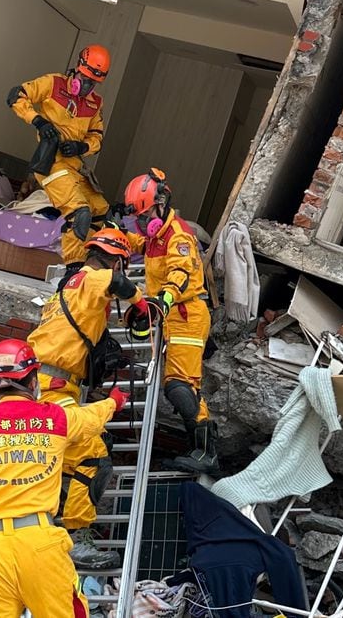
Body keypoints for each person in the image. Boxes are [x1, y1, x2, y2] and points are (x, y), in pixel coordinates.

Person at [0, 339, 130, 618]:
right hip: (38, 544)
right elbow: (90, 417)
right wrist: (113, 402)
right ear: (33, 380)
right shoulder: (55, 420)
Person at [26, 228, 154, 570]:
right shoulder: (93, 277)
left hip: (45, 383)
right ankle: (76, 538)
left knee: (65, 460)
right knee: (92, 454)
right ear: (115, 260)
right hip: (52, 387)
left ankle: (50, 528)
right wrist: (141, 305)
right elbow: (118, 284)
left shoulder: (67, 287)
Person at [120, 168, 218, 474]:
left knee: (180, 387)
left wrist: (163, 299)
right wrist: (112, 235)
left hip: (186, 314)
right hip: (174, 317)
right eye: (140, 216)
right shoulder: (155, 237)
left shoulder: (179, 236)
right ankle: (201, 450)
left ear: (162, 203)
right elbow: (137, 243)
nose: (144, 222)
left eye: (146, 214)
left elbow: (181, 273)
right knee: (181, 385)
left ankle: (207, 453)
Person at [9, 45, 112, 279]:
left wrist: (82, 147)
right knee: (80, 212)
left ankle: (91, 263)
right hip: (51, 164)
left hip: (75, 166)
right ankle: (73, 269)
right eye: (84, 80)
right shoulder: (53, 83)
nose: (86, 87)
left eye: (92, 83)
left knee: (100, 210)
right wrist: (38, 122)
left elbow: (97, 137)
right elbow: (15, 95)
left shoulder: (95, 103)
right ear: (77, 70)